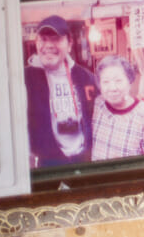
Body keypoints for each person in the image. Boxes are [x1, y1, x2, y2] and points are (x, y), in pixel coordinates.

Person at [24, 14, 97, 168]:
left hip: (84, 161)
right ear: (36, 43)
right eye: (43, 39)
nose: (49, 45)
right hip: (45, 164)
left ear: (69, 44)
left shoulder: (86, 77)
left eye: (56, 39)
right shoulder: (24, 78)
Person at [90, 54, 144, 161]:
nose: (112, 88)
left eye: (118, 81)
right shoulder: (97, 105)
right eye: (105, 82)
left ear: (130, 81)